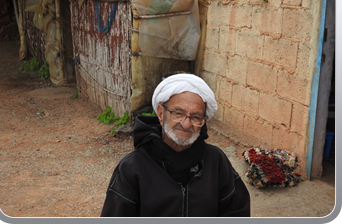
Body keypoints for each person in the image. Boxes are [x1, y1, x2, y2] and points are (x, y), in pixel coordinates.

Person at [100, 73, 251, 217]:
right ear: (161, 114)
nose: (186, 124)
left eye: (196, 117)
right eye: (178, 113)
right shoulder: (133, 167)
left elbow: (236, 212)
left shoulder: (216, 161)